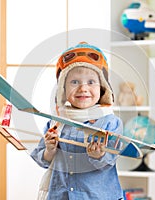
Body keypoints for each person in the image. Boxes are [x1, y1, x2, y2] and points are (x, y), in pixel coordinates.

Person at [31, 42, 124, 200]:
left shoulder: (110, 122)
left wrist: (98, 155)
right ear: (63, 89)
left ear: (102, 88)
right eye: (74, 82)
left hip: (98, 196)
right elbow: (43, 160)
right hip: (60, 196)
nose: (83, 88)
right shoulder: (56, 122)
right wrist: (49, 151)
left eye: (91, 82)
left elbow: (108, 161)